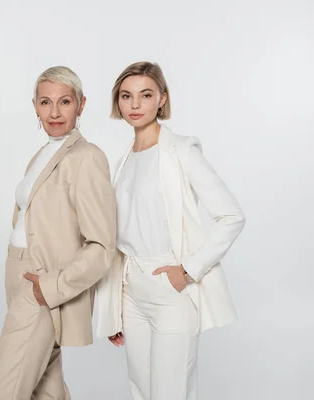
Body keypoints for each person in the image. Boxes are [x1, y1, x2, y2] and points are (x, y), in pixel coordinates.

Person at [96, 61, 246, 400]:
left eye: (145, 95)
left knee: (170, 392)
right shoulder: (123, 161)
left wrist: (189, 270)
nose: (135, 105)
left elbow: (231, 216)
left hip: (170, 291)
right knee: (141, 390)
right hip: (130, 292)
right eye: (126, 96)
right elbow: (119, 237)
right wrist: (112, 307)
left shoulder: (181, 151)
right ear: (117, 102)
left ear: (162, 99)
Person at [0, 66, 117, 399]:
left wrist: (52, 286)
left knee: (5, 388)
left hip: (43, 281)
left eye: (65, 102)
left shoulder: (87, 157)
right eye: (45, 102)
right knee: (46, 387)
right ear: (35, 107)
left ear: (81, 105)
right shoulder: (43, 154)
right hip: (20, 273)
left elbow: (102, 246)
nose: (54, 112)